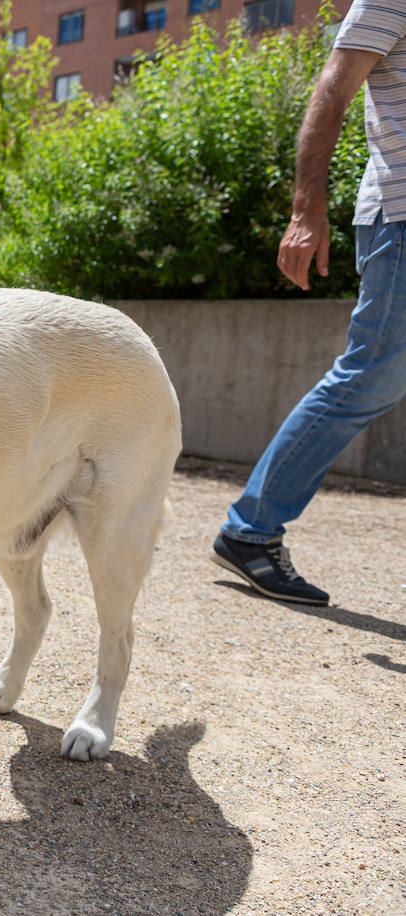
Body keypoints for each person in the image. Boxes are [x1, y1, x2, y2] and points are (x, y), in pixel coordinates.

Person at [212, 0, 406, 606]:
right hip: (402, 219)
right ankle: (250, 530)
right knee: (370, 376)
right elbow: (334, 85)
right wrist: (305, 208)